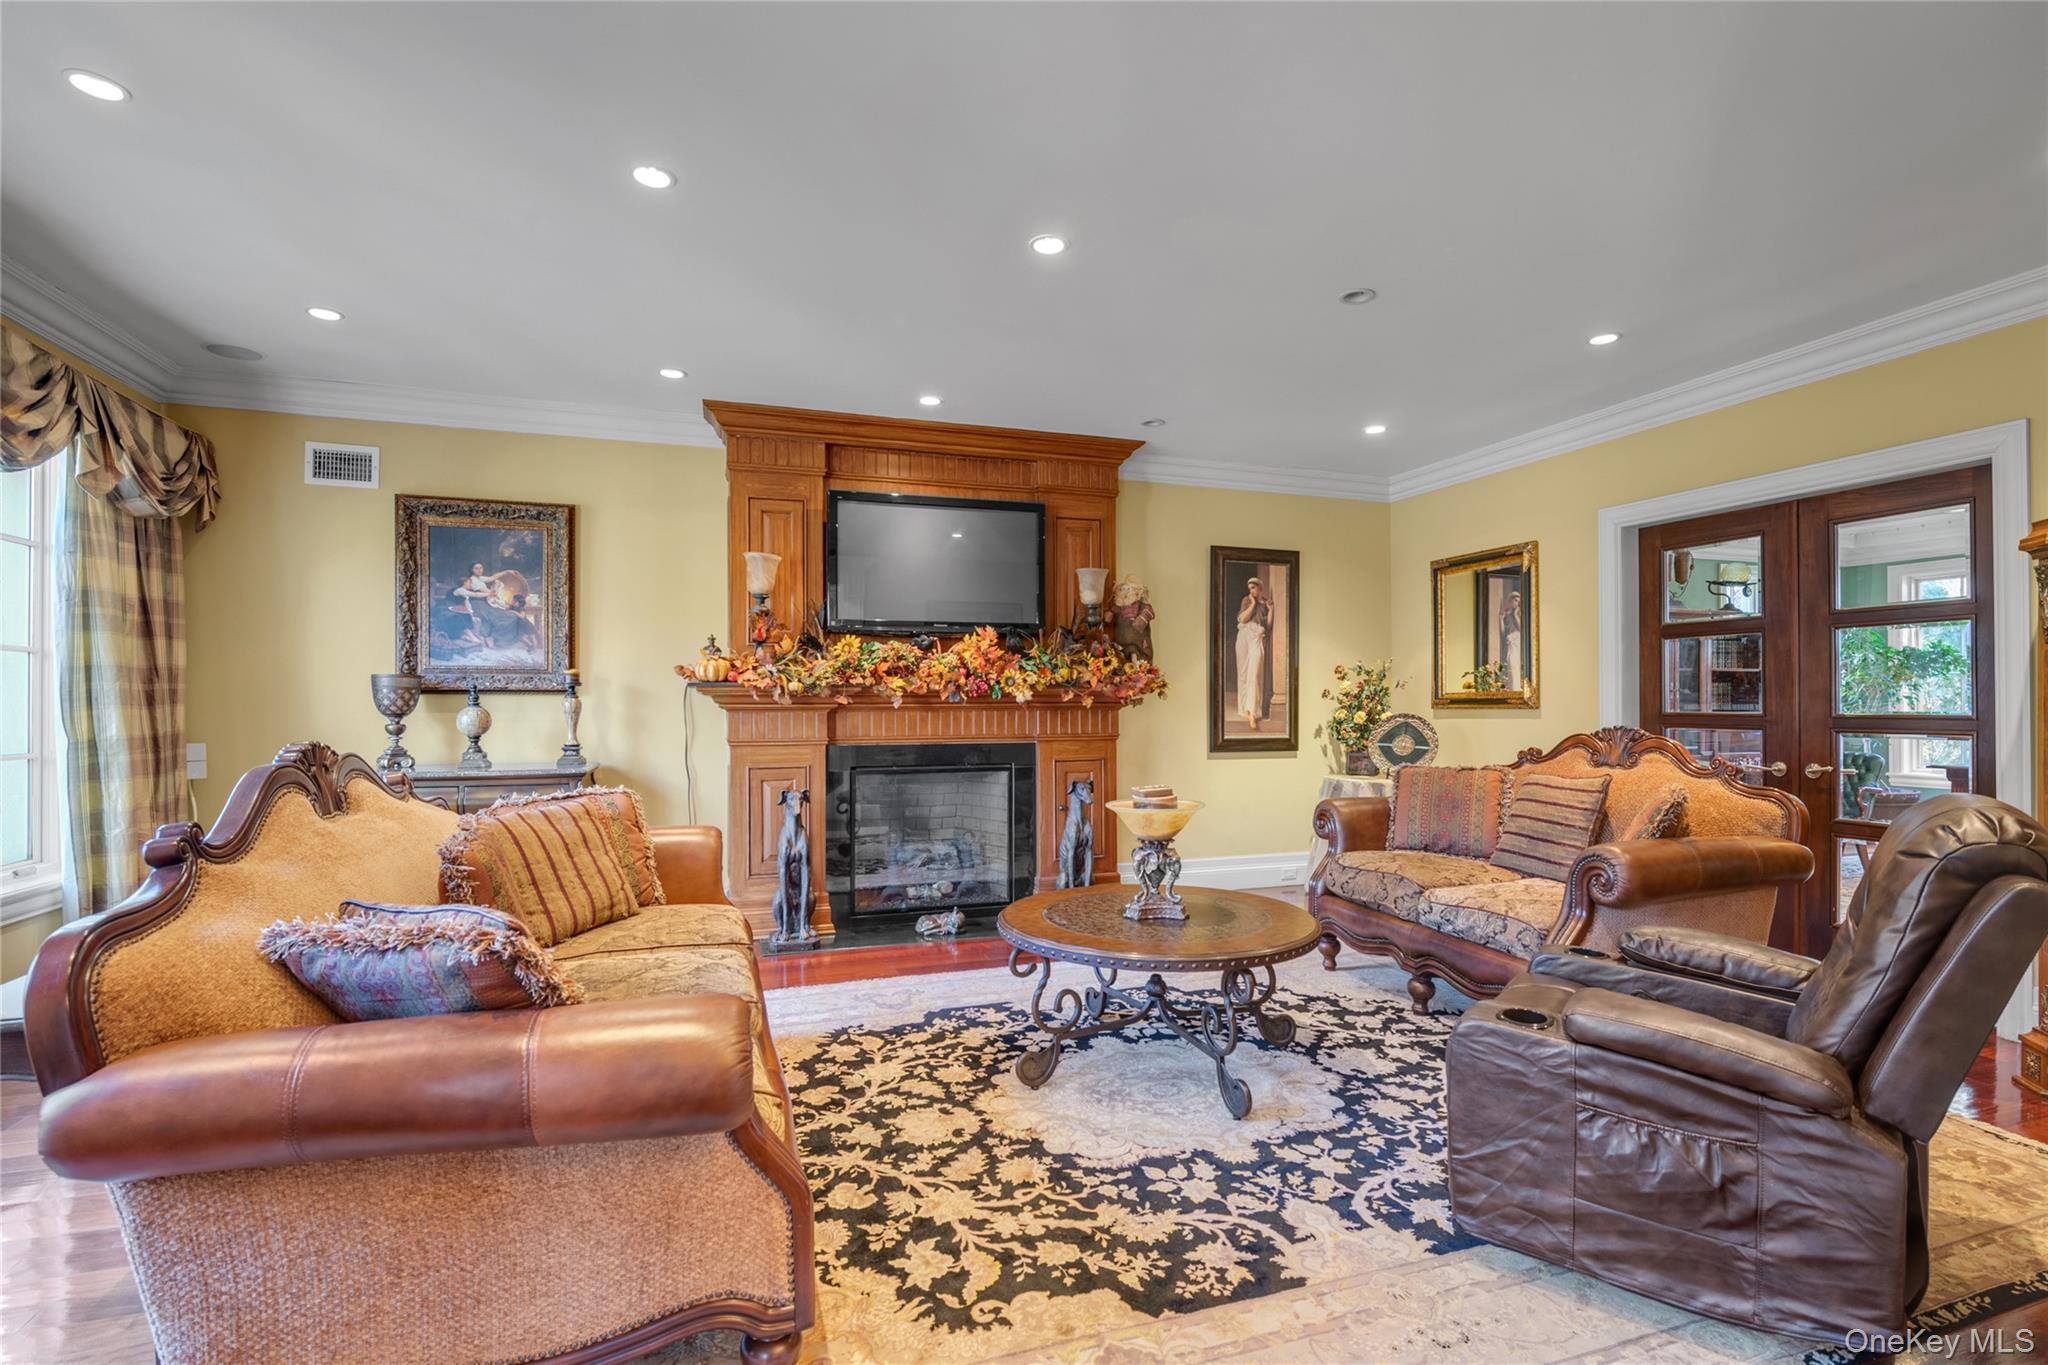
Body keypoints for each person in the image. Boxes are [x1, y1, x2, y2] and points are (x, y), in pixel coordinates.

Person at [1235, 576, 1273, 731]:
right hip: (1244, 636)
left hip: (1256, 637)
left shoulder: (1265, 603)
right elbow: (1242, 619)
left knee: (1254, 674)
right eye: (1250, 588)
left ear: (1260, 588)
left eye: (1254, 587)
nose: (1252, 590)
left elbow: (1268, 626)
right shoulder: (1246, 601)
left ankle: (1252, 713)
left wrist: (1271, 610)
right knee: (1243, 673)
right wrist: (1252, 603)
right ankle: (1245, 708)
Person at [1495, 589, 1525, 691]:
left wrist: (1516, 615)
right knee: (1510, 662)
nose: (1517, 603)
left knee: (1515, 663)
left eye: (1518, 601)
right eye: (1515, 600)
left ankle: (1516, 688)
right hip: (1510, 641)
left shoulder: (1519, 613)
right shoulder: (1506, 615)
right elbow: (1503, 633)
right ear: (1510, 601)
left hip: (1517, 641)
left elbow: (1521, 629)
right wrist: (1500, 619)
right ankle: (1512, 687)